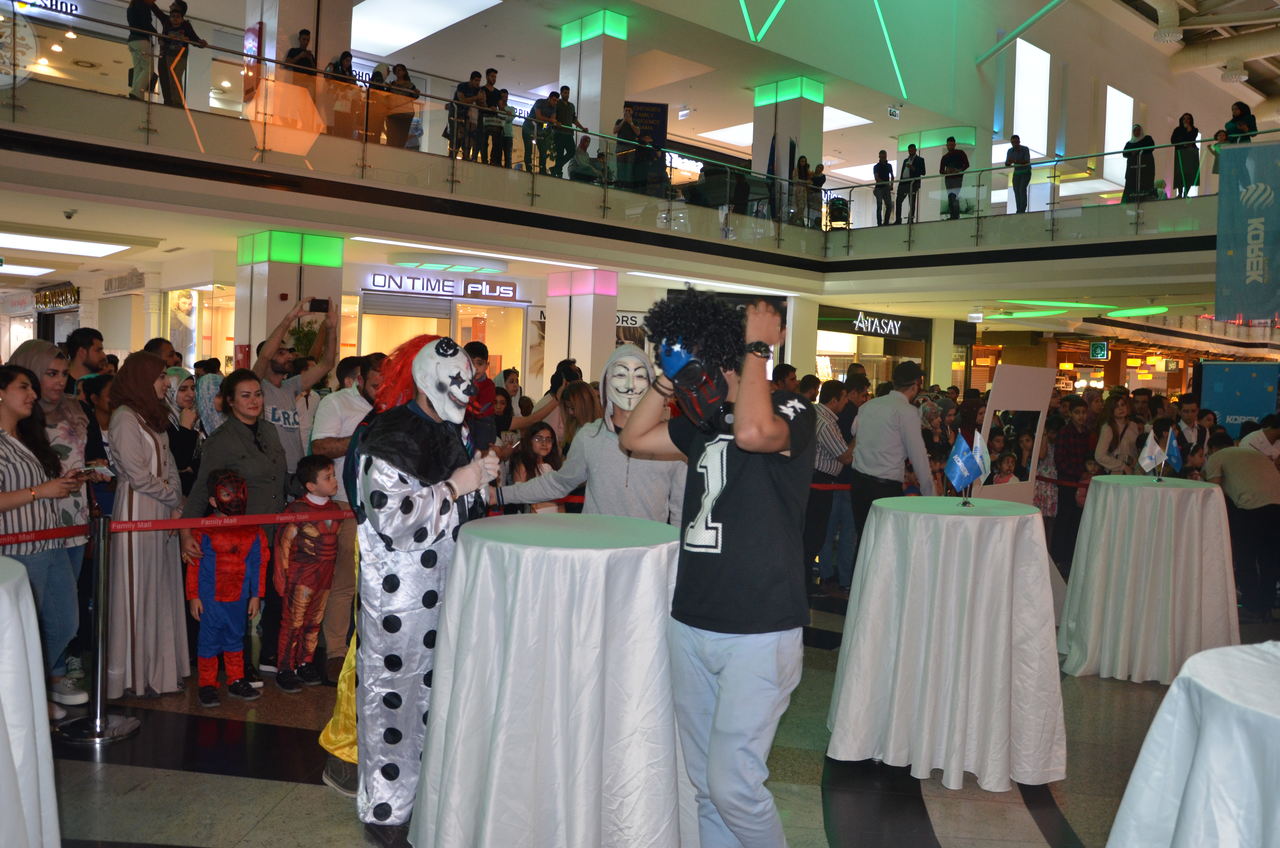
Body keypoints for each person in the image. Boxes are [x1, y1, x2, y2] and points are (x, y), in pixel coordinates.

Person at [620, 292, 814, 848]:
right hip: (693, 619)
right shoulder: (703, 422)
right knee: (707, 786)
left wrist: (756, 349)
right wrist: (664, 378)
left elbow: (755, 434)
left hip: (760, 626)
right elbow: (632, 438)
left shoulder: (791, 408)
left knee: (735, 786)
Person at [349, 335, 496, 843]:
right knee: (396, 697)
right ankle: (388, 809)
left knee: (440, 698)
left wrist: (479, 482)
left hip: (448, 588)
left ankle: (433, 799)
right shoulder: (389, 434)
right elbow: (392, 517)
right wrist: (460, 483)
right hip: (402, 597)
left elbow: (460, 503)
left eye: (468, 382)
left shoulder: (450, 429)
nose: (465, 390)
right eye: (454, 381)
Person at [495, 344, 685, 524]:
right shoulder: (590, 436)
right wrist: (500, 495)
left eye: (640, 376)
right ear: (607, 383)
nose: (630, 384)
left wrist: (677, 554)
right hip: (598, 550)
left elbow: (681, 509)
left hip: (648, 553)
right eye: (620, 374)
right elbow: (559, 482)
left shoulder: (671, 441)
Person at [181, 369, 287, 681]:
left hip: (271, 530)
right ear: (230, 401)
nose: (254, 400)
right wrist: (187, 532)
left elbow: (278, 477)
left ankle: (266, 658)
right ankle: (232, 666)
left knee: (269, 597)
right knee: (236, 603)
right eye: (245, 395)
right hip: (236, 538)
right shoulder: (222, 441)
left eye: (257, 394)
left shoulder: (269, 431)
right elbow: (202, 489)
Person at [0, 365, 86, 719]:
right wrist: (40, 491)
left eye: (33, 389)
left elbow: (39, 490)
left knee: (66, 621)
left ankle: (36, 684)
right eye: (24, 387)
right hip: (19, 551)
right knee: (23, 626)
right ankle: (24, 697)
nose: (32, 395)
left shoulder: (28, 437)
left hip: (51, 543)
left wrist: (60, 485)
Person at [106, 351, 189, 699]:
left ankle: (161, 668)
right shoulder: (125, 417)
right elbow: (138, 475)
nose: (166, 383)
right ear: (143, 379)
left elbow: (169, 464)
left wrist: (174, 504)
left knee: (159, 587)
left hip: (160, 509)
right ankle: (133, 674)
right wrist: (174, 500)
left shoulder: (152, 416)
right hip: (136, 510)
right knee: (136, 588)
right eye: (160, 378)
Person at [186, 469, 266, 708]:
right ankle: (207, 684)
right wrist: (193, 596)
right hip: (210, 598)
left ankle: (236, 679)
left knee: (235, 639)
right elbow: (194, 566)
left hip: (239, 597)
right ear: (213, 500)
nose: (234, 499)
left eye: (237, 493)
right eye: (226, 494)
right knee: (208, 641)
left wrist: (256, 595)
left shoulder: (253, 531)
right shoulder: (202, 530)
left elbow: (258, 564)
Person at [273, 454, 343, 693]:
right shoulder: (296, 509)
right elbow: (283, 544)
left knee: (314, 623)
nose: (335, 481)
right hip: (301, 576)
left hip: (324, 577)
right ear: (311, 485)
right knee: (293, 623)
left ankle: (305, 663)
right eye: (328, 477)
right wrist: (281, 576)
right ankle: (285, 668)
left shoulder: (336, 509)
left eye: (333, 475)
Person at [849, 361, 934, 553]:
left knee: (863, 542)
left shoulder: (869, 405)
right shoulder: (907, 412)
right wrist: (931, 496)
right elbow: (918, 456)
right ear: (916, 386)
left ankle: (858, 583)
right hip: (884, 487)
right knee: (884, 546)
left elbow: (854, 430)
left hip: (859, 483)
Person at [253, 300, 337, 475]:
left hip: (295, 472)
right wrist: (288, 320)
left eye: (288, 352)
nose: (289, 357)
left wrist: (330, 329)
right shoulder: (257, 385)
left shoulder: (291, 386)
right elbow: (264, 356)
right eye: (281, 353)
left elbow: (327, 363)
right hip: (270, 473)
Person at [1205, 431, 1280, 619]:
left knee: (1245, 558)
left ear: (1212, 448)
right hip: (1277, 507)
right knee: (1269, 559)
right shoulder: (1255, 454)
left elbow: (1214, 491)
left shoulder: (1216, 457)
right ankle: (1267, 603)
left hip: (1250, 510)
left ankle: (1252, 605)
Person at [809, 380, 852, 597]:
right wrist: (859, 438)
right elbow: (844, 456)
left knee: (818, 534)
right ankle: (808, 583)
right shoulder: (825, 423)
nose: (847, 402)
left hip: (821, 481)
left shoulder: (817, 415)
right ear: (834, 400)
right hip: (820, 482)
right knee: (816, 534)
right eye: (844, 398)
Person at [1051, 397, 1090, 571]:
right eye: (1077, 413)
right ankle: (1059, 557)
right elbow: (1060, 460)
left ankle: (1072, 556)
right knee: (1065, 519)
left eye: (1083, 412)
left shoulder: (1087, 433)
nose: (1081, 416)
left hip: (1082, 482)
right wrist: (1078, 472)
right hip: (1067, 482)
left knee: (1077, 520)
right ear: (1071, 414)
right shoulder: (1065, 433)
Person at [157, 1, 206, 108]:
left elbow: (194, 38)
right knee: (168, 78)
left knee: (176, 77)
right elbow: (156, 12)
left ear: (181, 15)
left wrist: (200, 43)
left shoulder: (186, 25)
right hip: (168, 55)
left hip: (180, 55)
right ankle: (170, 101)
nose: (175, 19)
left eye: (177, 16)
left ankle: (178, 102)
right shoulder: (167, 21)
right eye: (173, 16)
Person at [163, 366, 201, 496]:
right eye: (183, 389)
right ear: (170, 391)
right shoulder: (163, 421)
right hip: (174, 493)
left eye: (193, 388)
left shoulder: (194, 415)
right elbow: (179, 462)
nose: (191, 394)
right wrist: (185, 428)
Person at [510, 422, 564, 513]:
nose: (544, 443)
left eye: (548, 440)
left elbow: (561, 501)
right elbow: (520, 495)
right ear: (529, 441)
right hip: (533, 517)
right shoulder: (523, 465)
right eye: (538, 439)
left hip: (554, 517)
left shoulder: (555, 466)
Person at [126, 0, 164, 101]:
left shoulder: (132, 5)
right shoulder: (143, 5)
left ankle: (137, 94)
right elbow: (145, 23)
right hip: (142, 40)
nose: (154, 1)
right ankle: (136, 93)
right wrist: (157, 34)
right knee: (148, 68)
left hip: (132, 40)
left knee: (139, 68)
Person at [554, 85, 587, 178]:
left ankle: (556, 168)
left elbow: (574, 119)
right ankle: (558, 173)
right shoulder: (557, 103)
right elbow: (552, 116)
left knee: (572, 151)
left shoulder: (571, 106)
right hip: (559, 133)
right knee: (559, 153)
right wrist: (556, 122)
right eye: (565, 93)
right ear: (561, 93)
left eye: (568, 93)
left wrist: (582, 128)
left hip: (568, 133)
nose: (567, 95)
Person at [449, 71, 484, 160]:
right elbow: (462, 100)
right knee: (456, 138)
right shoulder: (462, 86)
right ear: (471, 80)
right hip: (456, 114)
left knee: (466, 140)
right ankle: (451, 158)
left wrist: (480, 98)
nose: (477, 83)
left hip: (466, 116)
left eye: (479, 81)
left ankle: (465, 158)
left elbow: (482, 104)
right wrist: (476, 98)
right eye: (476, 80)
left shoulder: (478, 90)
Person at [383, 64, 419, 149]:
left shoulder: (410, 85)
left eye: (400, 70)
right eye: (396, 70)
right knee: (391, 135)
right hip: (393, 113)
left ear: (404, 72)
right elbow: (387, 96)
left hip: (405, 114)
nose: (398, 72)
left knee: (402, 136)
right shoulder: (392, 84)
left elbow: (414, 97)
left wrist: (416, 93)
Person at [1122, 125, 1156, 203]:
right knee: (1132, 186)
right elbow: (1124, 154)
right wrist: (1132, 153)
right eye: (1134, 131)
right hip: (1132, 170)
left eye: (1138, 130)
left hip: (1146, 168)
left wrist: (1140, 151)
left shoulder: (1147, 139)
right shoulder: (1129, 143)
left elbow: (1151, 147)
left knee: (1145, 185)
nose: (1136, 132)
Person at [939, 136, 969, 220]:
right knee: (951, 196)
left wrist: (958, 170)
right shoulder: (945, 157)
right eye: (949, 145)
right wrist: (947, 172)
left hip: (957, 178)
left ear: (954, 145)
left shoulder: (960, 153)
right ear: (947, 145)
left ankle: (955, 216)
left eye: (952, 145)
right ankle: (954, 215)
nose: (951, 146)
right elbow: (941, 171)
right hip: (949, 179)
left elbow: (966, 164)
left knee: (953, 196)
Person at [1170, 113, 1200, 198]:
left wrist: (1189, 130)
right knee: (1180, 173)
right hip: (1180, 153)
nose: (1186, 120)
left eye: (1188, 118)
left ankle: (1186, 194)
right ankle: (1179, 193)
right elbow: (1173, 140)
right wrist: (1183, 143)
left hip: (1191, 153)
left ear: (1191, 120)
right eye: (1184, 119)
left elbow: (1191, 138)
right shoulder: (1177, 130)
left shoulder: (1194, 129)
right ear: (1181, 120)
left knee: (1190, 173)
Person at [895, 143, 925, 224]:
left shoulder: (920, 160)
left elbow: (923, 172)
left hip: (913, 183)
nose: (910, 151)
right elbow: (902, 173)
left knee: (911, 202)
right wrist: (900, 184)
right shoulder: (905, 160)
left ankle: (910, 219)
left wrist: (912, 168)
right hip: (903, 183)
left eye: (912, 149)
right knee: (898, 201)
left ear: (915, 150)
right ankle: (898, 220)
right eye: (909, 150)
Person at [485, 88, 515, 167]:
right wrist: (505, 112)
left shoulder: (511, 108)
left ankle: (508, 172)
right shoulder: (496, 109)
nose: (505, 99)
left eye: (506, 97)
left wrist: (502, 110)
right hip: (498, 133)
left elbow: (509, 119)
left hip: (508, 135)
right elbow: (501, 118)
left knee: (508, 157)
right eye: (503, 97)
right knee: (497, 153)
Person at [1174, 394, 1209, 458]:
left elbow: (1205, 454)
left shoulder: (1204, 430)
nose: (1190, 414)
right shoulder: (1174, 429)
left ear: (1197, 411)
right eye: (1186, 411)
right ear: (1179, 412)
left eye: (1193, 411)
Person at [614, 105, 640, 189]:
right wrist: (623, 122)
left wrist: (630, 123)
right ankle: (620, 184)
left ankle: (627, 186)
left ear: (632, 112)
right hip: (620, 147)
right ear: (623, 111)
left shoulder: (635, 122)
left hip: (630, 148)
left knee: (629, 167)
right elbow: (614, 131)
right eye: (626, 110)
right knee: (620, 166)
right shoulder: (619, 121)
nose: (627, 112)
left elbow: (638, 132)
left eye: (629, 110)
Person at [1006, 133, 1032, 213]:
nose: (1015, 144)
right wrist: (1008, 162)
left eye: (1016, 142)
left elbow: (1026, 161)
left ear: (1019, 142)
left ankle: (1022, 209)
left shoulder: (1025, 149)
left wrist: (1015, 161)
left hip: (1025, 172)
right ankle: (1019, 209)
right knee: (1016, 190)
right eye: (1013, 142)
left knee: (1021, 189)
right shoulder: (1010, 151)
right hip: (1017, 172)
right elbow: (1007, 163)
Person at [872, 149, 894, 225]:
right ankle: (880, 223)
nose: (883, 158)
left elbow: (892, 176)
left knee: (889, 205)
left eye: (884, 156)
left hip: (885, 188)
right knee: (880, 205)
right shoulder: (876, 166)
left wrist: (891, 185)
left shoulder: (889, 166)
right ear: (879, 157)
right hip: (879, 188)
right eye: (881, 157)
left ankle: (886, 222)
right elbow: (876, 178)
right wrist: (888, 184)